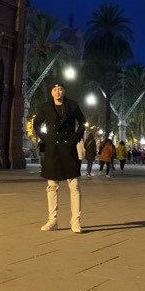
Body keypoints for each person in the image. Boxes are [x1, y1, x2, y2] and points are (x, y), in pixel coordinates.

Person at [33, 81, 86, 233]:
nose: (57, 92)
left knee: (74, 186)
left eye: (60, 89)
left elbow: (83, 123)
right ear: (51, 92)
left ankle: (75, 221)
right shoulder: (46, 107)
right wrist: (45, 138)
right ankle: (52, 220)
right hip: (52, 149)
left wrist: (74, 139)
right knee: (52, 186)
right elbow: (37, 124)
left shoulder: (73, 105)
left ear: (64, 91)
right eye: (55, 89)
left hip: (69, 149)